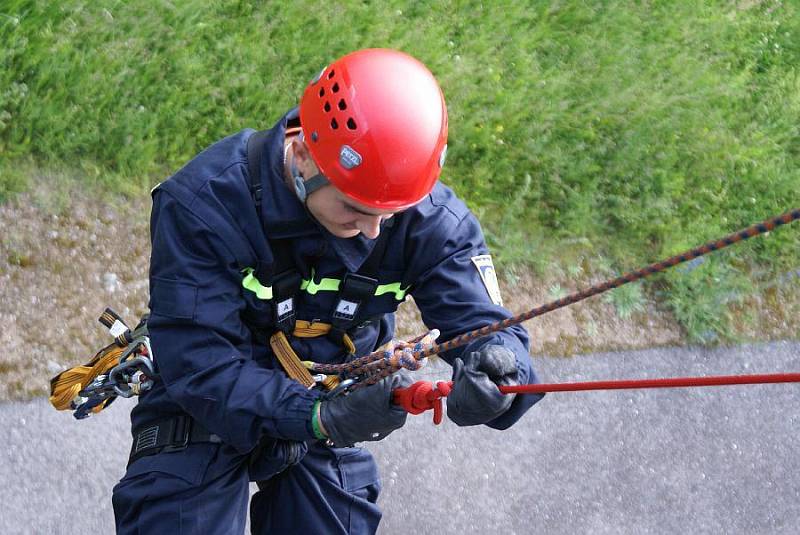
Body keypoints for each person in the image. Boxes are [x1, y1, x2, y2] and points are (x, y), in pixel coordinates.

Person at [112, 48, 544, 534]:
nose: (375, 231)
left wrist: (500, 374)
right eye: (355, 208)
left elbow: (488, 326)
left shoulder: (429, 220)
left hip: (335, 396)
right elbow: (201, 364)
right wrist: (318, 416)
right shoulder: (203, 205)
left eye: (392, 212)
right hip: (210, 398)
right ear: (301, 153)